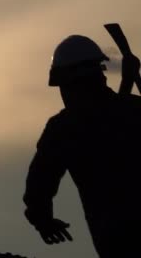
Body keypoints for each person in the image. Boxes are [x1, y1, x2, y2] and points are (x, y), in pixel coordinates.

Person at [23, 34, 141, 257]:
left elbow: (41, 182)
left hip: (115, 239)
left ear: (67, 84)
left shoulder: (64, 128)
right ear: (100, 76)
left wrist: (43, 220)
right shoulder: (134, 110)